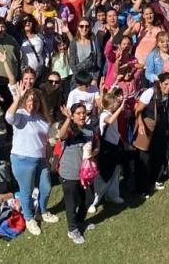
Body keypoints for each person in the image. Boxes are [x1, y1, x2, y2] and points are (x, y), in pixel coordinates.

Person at [5, 87, 57, 235]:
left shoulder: (41, 118)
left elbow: (47, 140)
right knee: (26, 192)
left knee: (46, 187)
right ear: (24, 102)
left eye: (35, 101)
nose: (32, 103)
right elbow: (8, 118)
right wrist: (17, 100)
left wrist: (50, 157)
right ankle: (29, 218)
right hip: (23, 159)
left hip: (41, 159)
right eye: (29, 100)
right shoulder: (20, 115)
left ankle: (43, 211)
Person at [57, 102, 97, 244]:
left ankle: (80, 221)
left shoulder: (90, 130)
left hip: (86, 174)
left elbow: (96, 147)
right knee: (71, 203)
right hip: (70, 173)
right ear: (73, 116)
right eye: (78, 113)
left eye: (83, 113)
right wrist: (68, 119)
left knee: (89, 199)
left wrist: (92, 153)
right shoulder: (70, 130)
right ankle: (72, 229)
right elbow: (61, 135)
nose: (82, 116)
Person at [133, 72, 169, 195]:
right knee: (143, 156)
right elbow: (138, 111)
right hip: (147, 126)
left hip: (161, 127)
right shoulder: (150, 92)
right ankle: (141, 187)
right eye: (165, 84)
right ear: (160, 83)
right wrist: (140, 124)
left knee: (159, 153)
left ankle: (155, 179)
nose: (168, 87)